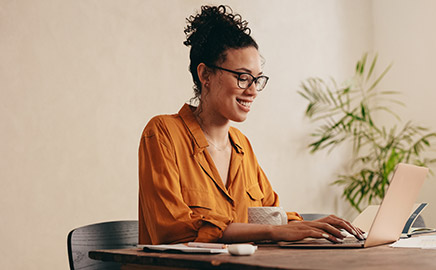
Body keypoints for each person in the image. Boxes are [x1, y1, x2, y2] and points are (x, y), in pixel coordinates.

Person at [138, 5, 364, 245]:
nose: (253, 90)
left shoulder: (241, 145)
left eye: (257, 79)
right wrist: (273, 232)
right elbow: (175, 230)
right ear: (205, 75)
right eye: (243, 78)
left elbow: (270, 215)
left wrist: (307, 226)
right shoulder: (163, 133)